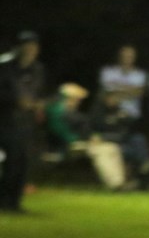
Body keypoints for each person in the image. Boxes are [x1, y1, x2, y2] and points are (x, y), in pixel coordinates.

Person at [44, 83, 127, 191]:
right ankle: (114, 184)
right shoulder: (57, 111)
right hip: (67, 146)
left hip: (81, 143)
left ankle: (120, 182)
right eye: (76, 99)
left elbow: (85, 130)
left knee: (112, 147)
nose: (78, 102)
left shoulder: (72, 112)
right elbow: (59, 132)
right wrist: (78, 140)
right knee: (100, 150)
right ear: (67, 98)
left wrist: (91, 138)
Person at [0, 31, 47, 213]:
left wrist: (37, 104)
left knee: (23, 161)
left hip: (24, 123)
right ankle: (5, 200)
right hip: (4, 120)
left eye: (33, 46)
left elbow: (38, 93)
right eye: (26, 45)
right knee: (12, 158)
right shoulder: (4, 66)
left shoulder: (38, 69)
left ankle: (14, 202)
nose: (30, 49)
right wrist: (14, 100)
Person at [100, 45, 146, 122]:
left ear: (135, 57)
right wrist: (130, 89)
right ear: (120, 56)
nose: (127, 58)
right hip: (108, 110)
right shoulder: (108, 71)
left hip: (131, 113)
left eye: (130, 56)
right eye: (125, 55)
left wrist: (116, 90)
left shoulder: (140, 74)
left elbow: (139, 92)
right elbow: (105, 92)